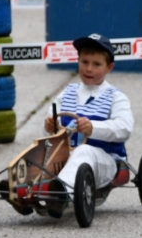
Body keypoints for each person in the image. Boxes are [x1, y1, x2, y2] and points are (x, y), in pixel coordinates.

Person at [43, 33, 134, 215]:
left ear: (109, 67)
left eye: (96, 64)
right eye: (84, 62)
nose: (89, 69)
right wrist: (50, 125)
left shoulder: (115, 97)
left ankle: (62, 194)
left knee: (83, 151)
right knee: (41, 152)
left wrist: (93, 128)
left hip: (106, 161)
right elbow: (52, 129)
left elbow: (124, 128)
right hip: (67, 156)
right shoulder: (67, 93)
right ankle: (23, 189)